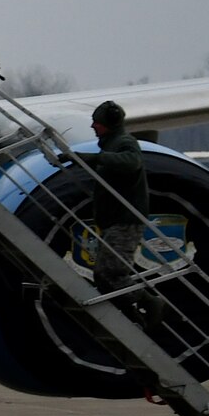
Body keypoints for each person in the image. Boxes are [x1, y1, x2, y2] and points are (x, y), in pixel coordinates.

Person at [79, 100, 152, 295]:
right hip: (114, 221)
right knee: (103, 275)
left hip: (124, 221)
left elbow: (132, 161)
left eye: (97, 122)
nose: (93, 126)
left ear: (109, 124)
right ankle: (134, 311)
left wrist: (95, 158)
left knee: (111, 273)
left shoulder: (125, 143)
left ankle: (149, 304)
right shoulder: (112, 144)